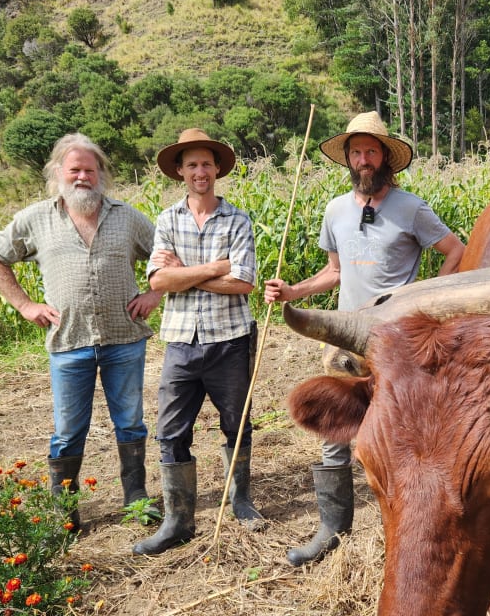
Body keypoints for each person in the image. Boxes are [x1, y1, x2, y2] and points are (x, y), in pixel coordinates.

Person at [264, 111, 465, 566]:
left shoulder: (410, 207)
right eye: (356, 152)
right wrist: (294, 292)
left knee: (405, 434)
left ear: (385, 158)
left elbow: (455, 251)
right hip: (345, 339)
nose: (363, 159)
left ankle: (411, 530)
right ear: (348, 160)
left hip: (397, 343)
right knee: (335, 432)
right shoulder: (335, 210)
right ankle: (332, 529)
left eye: (370, 151)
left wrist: (424, 299)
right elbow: (334, 272)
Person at [0, 133, 162, 530]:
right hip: (69, 343)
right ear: (59, 174)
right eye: (74, 169)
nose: (83, 176)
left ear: (101, 174)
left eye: (89, 169)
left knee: (130, 422)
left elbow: (165, 256)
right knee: (67, 431)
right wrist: (25, 305)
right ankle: (63, 511)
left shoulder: (127, 217)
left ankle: (136, 499)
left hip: (124, 338)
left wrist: (155, 292)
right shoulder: (36, 218)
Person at [132, 129, 261, 556]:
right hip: (181, 342)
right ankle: (178, 520)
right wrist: (214, 266)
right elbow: (158, 280)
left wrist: (184, 273)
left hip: (230, 340)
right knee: (171, 431)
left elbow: (244, 283)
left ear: (217, 169)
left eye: (207, 163)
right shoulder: (168, 219)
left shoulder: (238, 219)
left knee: (236, 424)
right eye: (192, 165)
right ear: (180, 172)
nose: (200, 171)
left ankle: (240, 500)